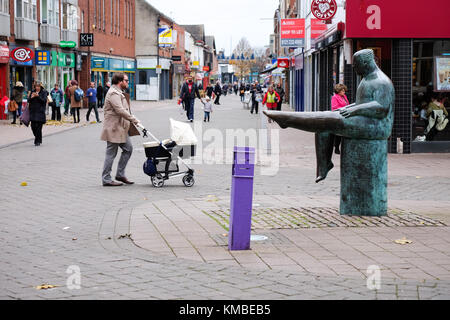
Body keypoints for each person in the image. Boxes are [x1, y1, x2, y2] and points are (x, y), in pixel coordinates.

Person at [264, 49, 395, 183]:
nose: (354, 68)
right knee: (324, 121)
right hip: (366, 121)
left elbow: (381, 107)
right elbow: (362, 103)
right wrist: (347, 108)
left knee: (326, 120)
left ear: (366, 63)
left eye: (356, 65)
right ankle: (324, 164)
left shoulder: (381, 82)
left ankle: (287, 121)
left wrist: (353, 110)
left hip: (377, 127)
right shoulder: (367, 79)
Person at [101, 73, 141, 186]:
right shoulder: (113, 93)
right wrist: (134, 119)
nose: (128, 82)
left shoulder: (119, 92)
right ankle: (106, 179)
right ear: (120, 81)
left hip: (121, 128)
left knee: (128, 149)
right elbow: (120, 110)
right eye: (126, 80)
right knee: (111, 154)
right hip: (114, 128)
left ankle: (120, 174)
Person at [330, 83, 350, 154]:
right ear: (338, 91)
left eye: (344, 90)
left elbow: (347, 104)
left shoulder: (344, 96)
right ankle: (336, 148)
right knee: (338, 133)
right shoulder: (335, 97)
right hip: (338, 116)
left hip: (345, 116)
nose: (344, 92)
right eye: (342, 91)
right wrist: (343, 109)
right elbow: (334, 107)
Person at [28, 80, 48, 146]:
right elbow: (29, 100)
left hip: (40, 112)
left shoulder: (44, 92)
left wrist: (38, 96)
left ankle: (37, 141)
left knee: (39, 127)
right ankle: (38, 138)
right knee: (33, 127)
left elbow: (44, 101)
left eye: (38, 86)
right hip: (33, 112)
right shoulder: (33, 92)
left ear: (41, 86)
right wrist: (31, 97)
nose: (37, 87)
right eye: (36, 86)